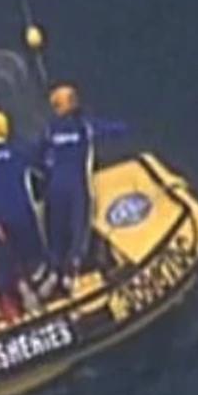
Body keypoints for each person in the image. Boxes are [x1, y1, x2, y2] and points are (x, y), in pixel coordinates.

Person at [39, 84, 127, 292]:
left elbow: (39, 155)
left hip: (54, 188)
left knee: (56, 230)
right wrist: (124, 127)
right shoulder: (84, 126)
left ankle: (52, 272)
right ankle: (72, 273)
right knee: (79, 230)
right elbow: (112, 129)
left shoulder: (49, 129)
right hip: (77, 188)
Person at [0, 110, 50, 318]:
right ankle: (29, 287)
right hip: (20, 215)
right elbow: (42, 167)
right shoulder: (19, 150)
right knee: (33, 253)